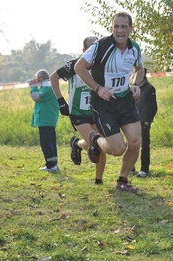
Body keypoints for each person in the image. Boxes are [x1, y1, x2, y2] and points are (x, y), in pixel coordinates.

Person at [74, 11, 144, 193]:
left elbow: (140, 69)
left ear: (131, 29)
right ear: (111, 28)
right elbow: (79, 67)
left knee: (135, 142)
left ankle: (123, 180)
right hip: (103, 103)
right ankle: (95, 140)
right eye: (117, 26)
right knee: (118, 148)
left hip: (125, 101)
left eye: (124, 27)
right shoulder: (100, 46)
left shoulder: (134, 48)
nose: (120, 31)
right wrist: (97, 88)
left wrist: (135, 84)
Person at [50, 36, 107, 184]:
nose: (94, 51)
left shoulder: (103, 63)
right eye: (90, 48)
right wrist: (61, 101)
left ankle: (98, 179)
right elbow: (53, 77)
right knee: (95, 141)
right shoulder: (75, 64)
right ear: (83, 50)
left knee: (99, 143)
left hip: (96, 111)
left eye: (97, 48)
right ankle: (78, 144)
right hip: (78, 112)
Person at [29, 69, 60, 173]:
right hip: (48, 119)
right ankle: (53, 163)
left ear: (40, 78)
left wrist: (33, 86)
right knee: (50, 142)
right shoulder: (47, 86)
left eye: (37, 78)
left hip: (46, 119)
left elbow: (36, 97)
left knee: (46, 143)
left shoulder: (47, 87)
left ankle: (51, 165)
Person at [131, 68, 158, 177]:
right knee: (131, 144)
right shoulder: (131, 88)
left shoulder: (149, 88)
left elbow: (153, 108)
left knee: (144, 145)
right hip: (132, 120)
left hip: (143, 121)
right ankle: (131, 168)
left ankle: (144, 169)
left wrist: (147, 121)